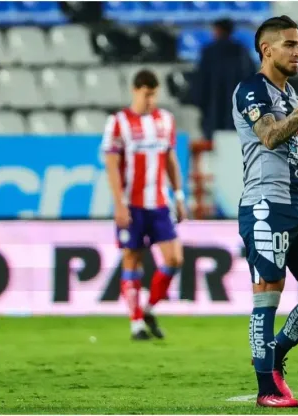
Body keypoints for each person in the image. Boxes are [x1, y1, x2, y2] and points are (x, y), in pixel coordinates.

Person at [231, 15, 298, 408]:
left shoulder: (292, 95)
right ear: (267, 49)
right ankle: (266, 387)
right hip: (265, 203)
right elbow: (270, 136)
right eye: (290, 45)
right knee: (267, 292)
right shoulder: (251, 89)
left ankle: (273, 354)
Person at [101, 70, 187, 341]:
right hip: (132, 204)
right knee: (132, 258)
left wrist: (180, 195)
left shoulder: (165, 120)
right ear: (135, 91)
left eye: (154, 94)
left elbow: (170, 160)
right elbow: (112, 166)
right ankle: (136, 322)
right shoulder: (118, 122)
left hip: (160, 203)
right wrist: (118, 204)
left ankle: (148, 308)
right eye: (147, 94)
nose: (151, 99)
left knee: (174, 259)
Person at [190, 18, 257, 141]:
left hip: (212, 110)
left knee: (213, 145)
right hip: (238, 111)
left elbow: (201, 82)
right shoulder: (242, 52)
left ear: (218, 30)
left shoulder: (209, 52)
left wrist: (199, 101)